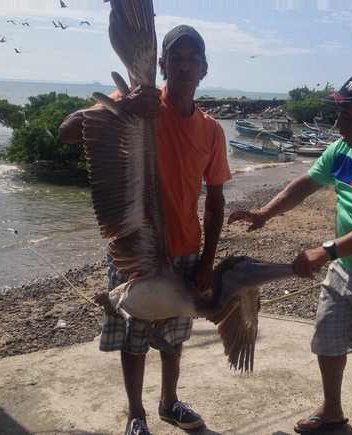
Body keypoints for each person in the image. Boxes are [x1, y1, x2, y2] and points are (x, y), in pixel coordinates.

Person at [228, 70, 352, 435]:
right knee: (328, 336)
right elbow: (307, 182)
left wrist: (327, 251)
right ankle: (332, 411)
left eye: (346, 116)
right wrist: (264, 212)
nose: (337, 125)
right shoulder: (344, 149)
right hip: (345, 264)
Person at [58, 25, 231, 435]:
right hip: (134, 244)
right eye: (177, 57)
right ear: (162, 64)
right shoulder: (139, 103)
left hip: (186, 247)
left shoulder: (211, 130)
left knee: (175, 331)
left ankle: (169, 402)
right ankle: (136, 414)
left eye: (193, 58)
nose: (185, 65)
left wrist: (208, 259)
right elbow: (67, 132)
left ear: (204, 69)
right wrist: (124, 107)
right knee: (133, 335)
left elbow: (217, 200)